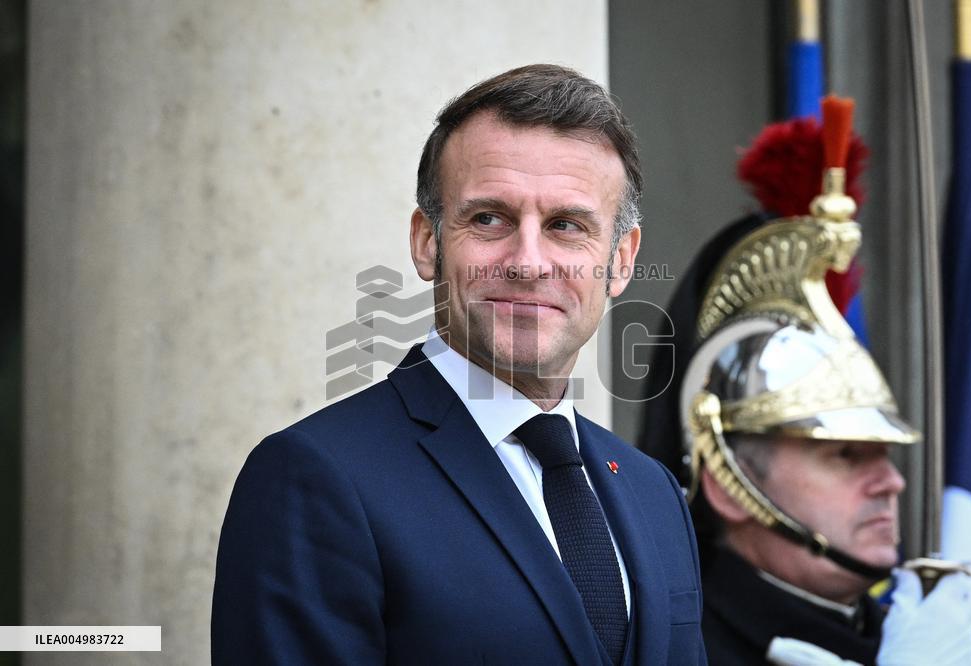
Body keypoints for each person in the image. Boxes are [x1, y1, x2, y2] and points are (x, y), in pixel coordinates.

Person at [212, 64, 707, 665]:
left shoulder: (653, 492)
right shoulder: (314, 479)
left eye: (567, 226)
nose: (528, 262)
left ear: (621, 261)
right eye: (489, 218)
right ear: (427, 242)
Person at [639, 103, 971, 665]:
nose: (891, 483)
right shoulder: (673, 650)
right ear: (730, 487)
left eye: (884, 453)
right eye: (846, 455)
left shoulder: (927, 632)